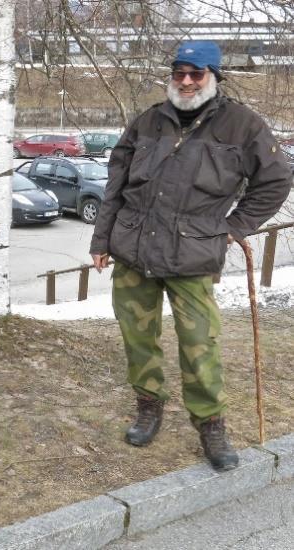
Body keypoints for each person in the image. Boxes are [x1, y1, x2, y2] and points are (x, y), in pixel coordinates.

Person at [89, 41, 292, 471]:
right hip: (133, 251)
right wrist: (101, 239)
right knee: (138, 338)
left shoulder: (243, 125)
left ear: (214, 77)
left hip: (193, 255)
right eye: (179, 72)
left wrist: (232, 229)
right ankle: (148, 405)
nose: (185, 81)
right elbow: (116, 185)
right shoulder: (148, 121)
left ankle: (211, 424)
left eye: (195, 74)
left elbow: (275, 182)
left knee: (200, 345)